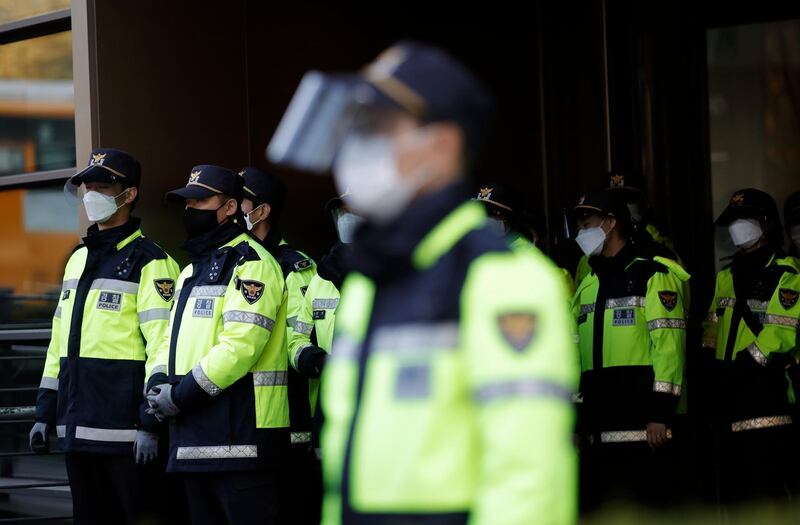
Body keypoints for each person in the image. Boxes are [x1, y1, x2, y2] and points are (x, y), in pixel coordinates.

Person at [268, 40, 578, 525]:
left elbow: (526, 476)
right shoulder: (373, 280)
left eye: (375, 129)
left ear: (442, 144)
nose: (356, 146)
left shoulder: (500, 279)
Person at [30, 148, 180, 524]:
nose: (91, 195)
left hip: (126, 436)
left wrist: (150, 420)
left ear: (128, 195)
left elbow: (163, 345)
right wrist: (45, 412)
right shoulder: (78, 258)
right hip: (76, 428)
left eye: (102, 186)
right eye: (88, 187)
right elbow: (58, 340)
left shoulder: (152, 261)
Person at [146, 165, 289, 524]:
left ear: (229, 207)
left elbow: (240, 347)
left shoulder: (253, 264)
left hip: (242, 439)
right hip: (194, 438)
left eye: (200, 200)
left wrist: (180, 396)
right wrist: (156, 382)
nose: (191, 210)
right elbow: (168, 339)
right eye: (187, 202)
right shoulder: (190, 270)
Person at [571, 190, 688, 509]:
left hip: (644, 427)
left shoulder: (653, 274)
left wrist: (661, 413)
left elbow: (669, 349)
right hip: (596, 428)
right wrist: (576, 421)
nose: (581, 229)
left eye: (588, 221)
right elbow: (574, 357)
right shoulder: (587, 283)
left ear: (610, 223)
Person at [700, 188, 800, 503]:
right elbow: (712, 326)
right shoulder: (726, 276)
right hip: (727, 399)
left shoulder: (788, 273)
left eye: (745, 219)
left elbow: (780, 334)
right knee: (734, 494)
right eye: (733, 220)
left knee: (766, 491)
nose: (737, 227)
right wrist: (709, 363)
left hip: (767, 396)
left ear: (766, 223)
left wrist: (742, 368)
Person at [239, 166, 319, 524]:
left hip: (288, 416)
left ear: (262, 210)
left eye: (238, 200)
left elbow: (300, 339)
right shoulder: (224, 261)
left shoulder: (298, 267)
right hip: (232, 416)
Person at [574, 171, 682, 286]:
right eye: (611, 201)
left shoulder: (663, 255)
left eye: (629, 200)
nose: (621, 207)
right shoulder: (587, 259)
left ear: (646, 204)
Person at [474, 182, 574, 293]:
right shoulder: (473, 251)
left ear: (510, 217)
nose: (486, 218)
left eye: (494, 212)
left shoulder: (526, 255)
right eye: (482, 212)